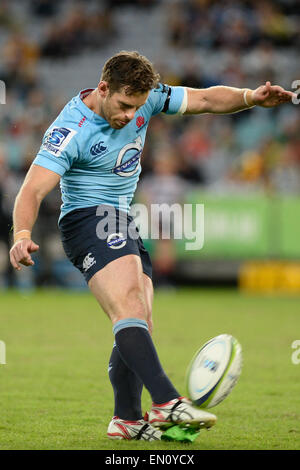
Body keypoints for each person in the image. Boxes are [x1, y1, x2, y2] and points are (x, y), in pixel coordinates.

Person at [9, 51, 294, 441]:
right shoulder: (71, 128)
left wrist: (250, 97)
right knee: (130, 304)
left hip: (121, 220)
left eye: (137, 107)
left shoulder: (150, 97)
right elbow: (32, 189)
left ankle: (125, 419)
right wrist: (22, 235)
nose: (130, 116)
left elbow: (206, 100)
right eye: (124, 105)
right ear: (103, 88)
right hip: (87, 219)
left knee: (140, 317)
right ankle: (165, 402)